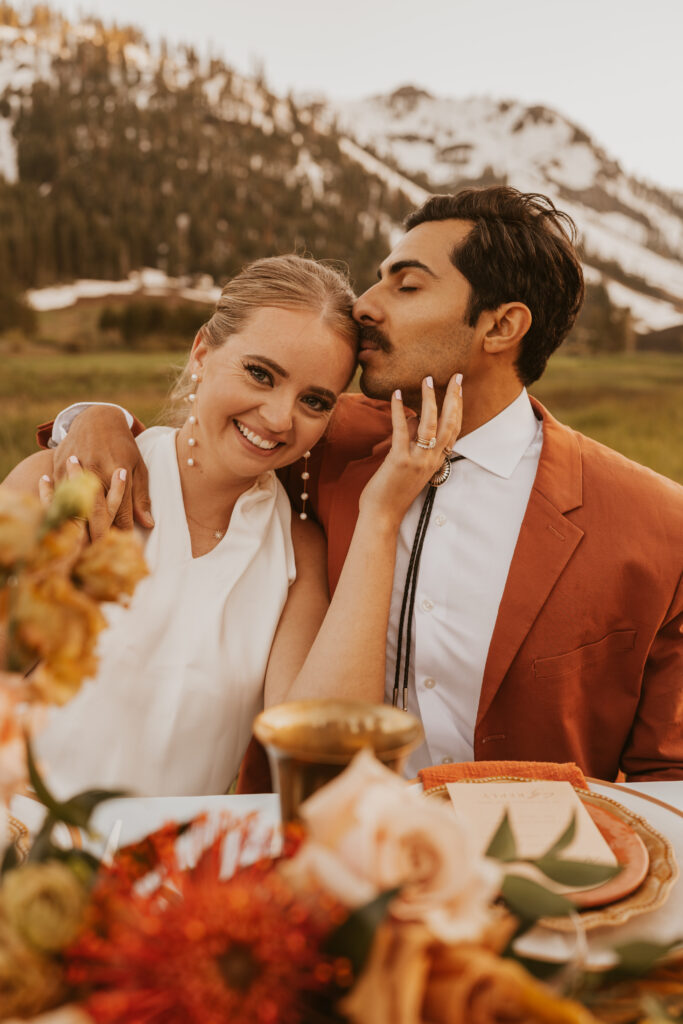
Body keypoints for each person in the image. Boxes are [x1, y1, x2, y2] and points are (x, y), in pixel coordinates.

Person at [34, 188, 683, 784]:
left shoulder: (655, 523)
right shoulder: (319, 441)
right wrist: (94, 419)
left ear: (499, 327)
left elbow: (668, 778)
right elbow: (198, 441)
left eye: (405, 285)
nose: (365, 305)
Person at [1, 254, 463, 798]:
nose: (277, 417)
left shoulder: (297, 551)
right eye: (260, 374)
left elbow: (321, 753)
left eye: (314, 401)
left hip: (175, 869)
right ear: (203, 351)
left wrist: (380, 518)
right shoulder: (69, 480)